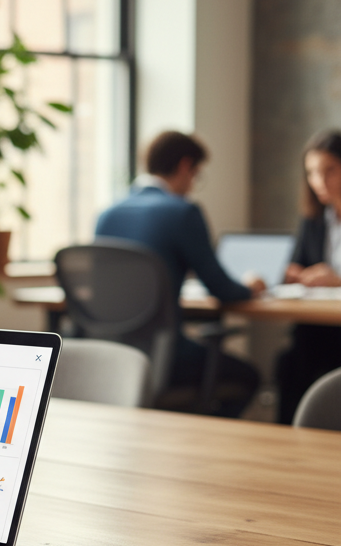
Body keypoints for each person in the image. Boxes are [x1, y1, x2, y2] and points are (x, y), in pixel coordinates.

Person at [94, 131, 266, 417]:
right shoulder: (182, 212)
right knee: (249, 376)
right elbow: (221, 288)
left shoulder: (107, 214)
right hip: (166, 358)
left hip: (111, 355)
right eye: (197, 174)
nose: (193, 184)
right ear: (186, 166)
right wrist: (250, 286)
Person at [275, 129, 341, 424]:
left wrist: (337, 279)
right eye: (312, 173)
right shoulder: (313, 219)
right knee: (290, 362)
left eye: (330, 170)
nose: (320, 181)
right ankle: (290, 444)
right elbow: (298, 263)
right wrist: (292, 273)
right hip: (317, 324)